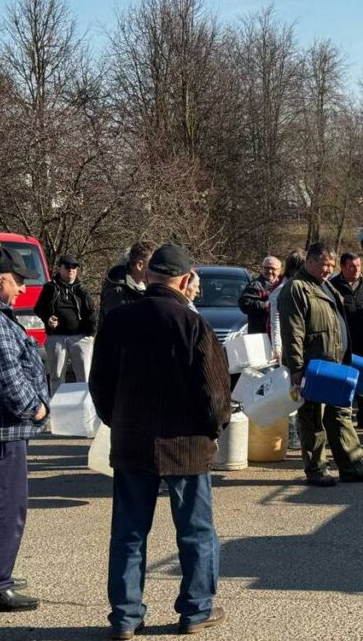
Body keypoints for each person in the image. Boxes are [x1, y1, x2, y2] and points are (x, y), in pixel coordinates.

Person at [89, 244, 230, 638]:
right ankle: (195, 609)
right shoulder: (192, 324)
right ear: (185, 280)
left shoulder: (118, 320)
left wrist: (116, 420)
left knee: (129, 533)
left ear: (149, 276)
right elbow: (214, 393)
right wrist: (214, 429)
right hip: (187, 445)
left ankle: (125, 617)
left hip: (132, 441)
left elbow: (99, 382)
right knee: (196, 531)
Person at [277, 244, 363, 486]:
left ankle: (352, 466)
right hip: (313, 368)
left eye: (331, 266)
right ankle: (316, 469)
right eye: (324, 264)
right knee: (312, 419)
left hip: (336, 364)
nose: (328, 269)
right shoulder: (296, 289)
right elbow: (293, 333)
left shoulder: (326, 285)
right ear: (309, 261)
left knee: (341, 415)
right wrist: (296, 369)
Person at [0, 247, 46, 612]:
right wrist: (33, 408)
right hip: (0, 431)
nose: (22, 290)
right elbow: (4, 372)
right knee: (4, 508)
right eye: (19, 282)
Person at [329, 252, 363, 430]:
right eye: (352, 266)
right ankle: (344, 416)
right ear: (342, 267)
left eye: (359, 266)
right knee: (344, 379)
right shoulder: (332, 286)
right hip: (343, 342)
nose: (356, 269)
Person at [34, 255, 96, 394]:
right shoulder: (50, 288)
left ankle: (85, 407)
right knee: (56, 375)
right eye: (67, 267)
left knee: (85, 376)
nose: (71, 270)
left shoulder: (82, 289)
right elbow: (38, 309)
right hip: (56, 337)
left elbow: (91, 311)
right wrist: (48, 318)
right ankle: (57, 408)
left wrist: (90, 335)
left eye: (74, 267)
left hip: (80, 337)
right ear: (59, 269)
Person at [269, 250, 306, 451]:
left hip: (303, 348)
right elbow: (275, 323)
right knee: (292, 392)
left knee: (303, 392)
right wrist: (277, 348)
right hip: (286, 350)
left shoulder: (304, 288)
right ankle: (292, 435)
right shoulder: (280, 292)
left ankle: (301, 432)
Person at [100, 242, 153, 326]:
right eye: (152, 265)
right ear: (140, 265)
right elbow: (117, 327)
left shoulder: (143, 287)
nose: (155, 269)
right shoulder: (117, 292)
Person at [238, 256, 282, 335]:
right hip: (259, 335)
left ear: (279, 270)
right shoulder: (254, 286)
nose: (269, 271)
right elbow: (244, 304)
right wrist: (265, 305)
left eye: (273, 268)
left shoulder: (283, 286)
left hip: (278, 334)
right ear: (262, 269)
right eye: (267, 268)